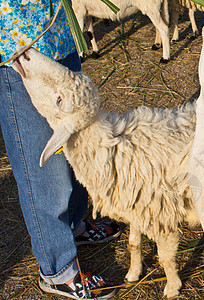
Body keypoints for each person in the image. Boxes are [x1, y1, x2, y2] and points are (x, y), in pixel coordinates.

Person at [0, 1, 120, 299]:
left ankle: (74, 224)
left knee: (75, 145)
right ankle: (57, 269)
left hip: (57, 31)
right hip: (18, 40)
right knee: (43, 166)